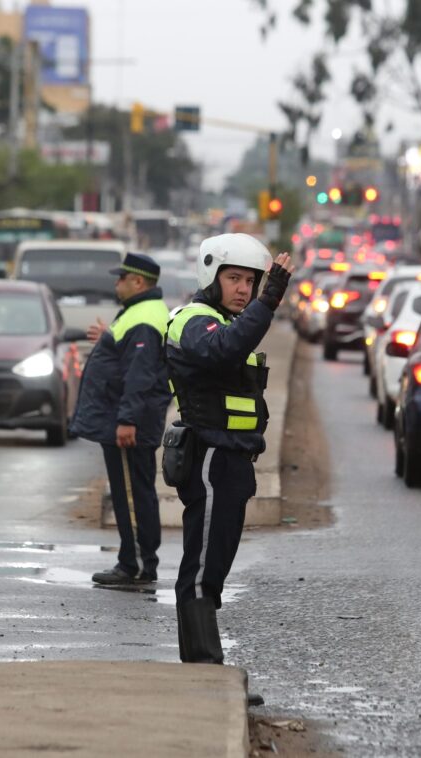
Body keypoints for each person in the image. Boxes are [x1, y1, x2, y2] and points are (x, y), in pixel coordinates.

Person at [165, 233, 293, 664]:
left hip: (231, 459)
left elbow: (233, 342)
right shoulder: (192, 319)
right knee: (203, 563)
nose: (243, 289)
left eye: (251, 281)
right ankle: (203, 664)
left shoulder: (222, 321)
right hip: (209, 456)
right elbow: (224, 350)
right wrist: (270, 299)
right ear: (211, 275)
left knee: (215, 559)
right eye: (233, 278)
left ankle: (203, 659)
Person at [70, 252, 173, 585]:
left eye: (121, 278)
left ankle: (137, 564)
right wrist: (108, 339)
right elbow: (131, 357)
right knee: (131, 489)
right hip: (124, 417)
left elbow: (140, 374)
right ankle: (134, 559)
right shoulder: (140, 313)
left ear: (138, 282)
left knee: (131, 492)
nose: (116, 283)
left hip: (130, 422)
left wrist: (127, 420)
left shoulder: (143, 317)